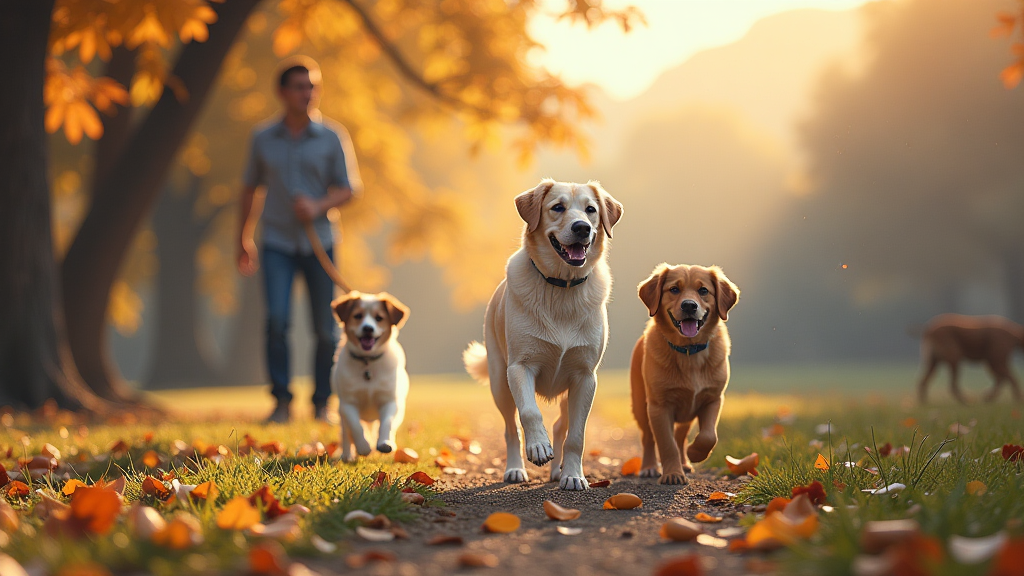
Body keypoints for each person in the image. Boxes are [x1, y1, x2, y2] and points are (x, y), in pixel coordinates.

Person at [237, 57, 361, 423]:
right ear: (282, 92)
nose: (307, 93)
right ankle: (281, 402)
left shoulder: (332, 136)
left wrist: (318, 204)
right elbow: (248, 189)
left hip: (320, 242)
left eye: (312, 86)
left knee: (325, 328)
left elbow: (351, 189)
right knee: (277, 321)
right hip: (276, 242)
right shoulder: (262, 138)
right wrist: (242, 239)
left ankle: (323, 403)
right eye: (299, 86)